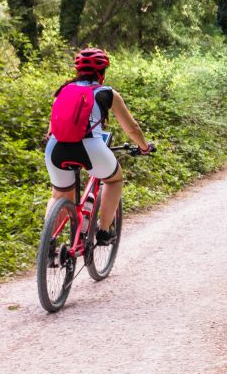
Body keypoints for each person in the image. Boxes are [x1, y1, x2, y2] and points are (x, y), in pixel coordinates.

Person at [44, 48, 152, 245]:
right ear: (102, 73)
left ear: (77, 72)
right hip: (90, 147)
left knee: (59, 194)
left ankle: (48, 244)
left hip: (55, 149)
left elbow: (52, 128)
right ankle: (103, 231)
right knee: (113, 180)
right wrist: (144, 147)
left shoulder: (62, 91)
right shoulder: (107, 93)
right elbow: (132, 129)